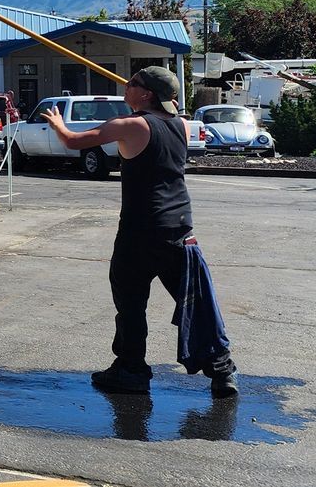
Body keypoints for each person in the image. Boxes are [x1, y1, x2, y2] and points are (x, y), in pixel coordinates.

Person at [42, 65, 238, 398]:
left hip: (139, 233)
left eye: (132, 83)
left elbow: (73, 141)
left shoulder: (131, 125)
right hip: (179, 230)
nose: (125, 86)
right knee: (196, 303)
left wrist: (58, 124)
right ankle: (223, 372)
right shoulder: (180, 124)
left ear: (146, 94)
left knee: (131, 304)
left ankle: (131, 370)